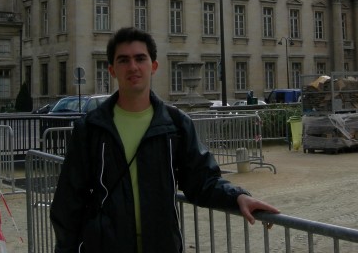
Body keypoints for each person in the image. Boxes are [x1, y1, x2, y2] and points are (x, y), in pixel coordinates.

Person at [50, 27, 279, 253]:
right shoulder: (90, 128)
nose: (133, 67)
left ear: (154, 66)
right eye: (123, 60)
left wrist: (238, 197)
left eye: (140, 58)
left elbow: (201, 180)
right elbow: (68, 201)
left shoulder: (176, 124)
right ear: (112, 69)